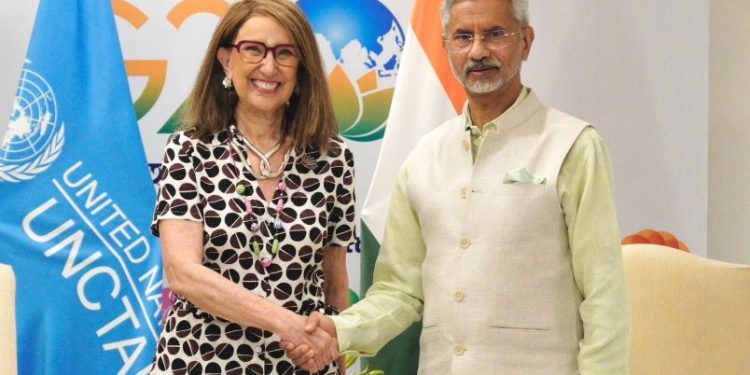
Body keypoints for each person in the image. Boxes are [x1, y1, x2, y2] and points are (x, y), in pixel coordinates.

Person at [284, 0, 631, 374]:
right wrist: (339, 331)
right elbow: (400, 292)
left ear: (526, 42)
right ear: (447, 47)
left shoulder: (573, 145)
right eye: (463, 37)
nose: (478, 51)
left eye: (495, 34)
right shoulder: (424, 157)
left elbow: (603, 295)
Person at [148, 0, 355, 373]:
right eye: (254, 50)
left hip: (300, 364)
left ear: (302, 68)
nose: (269, 67)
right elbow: (183, 273)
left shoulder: (332, 159)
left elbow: (335, 288)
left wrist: (336, 359)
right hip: (201, 361)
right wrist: (288, 324)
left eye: (285, 53)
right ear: (227, 60)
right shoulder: (189, 150)